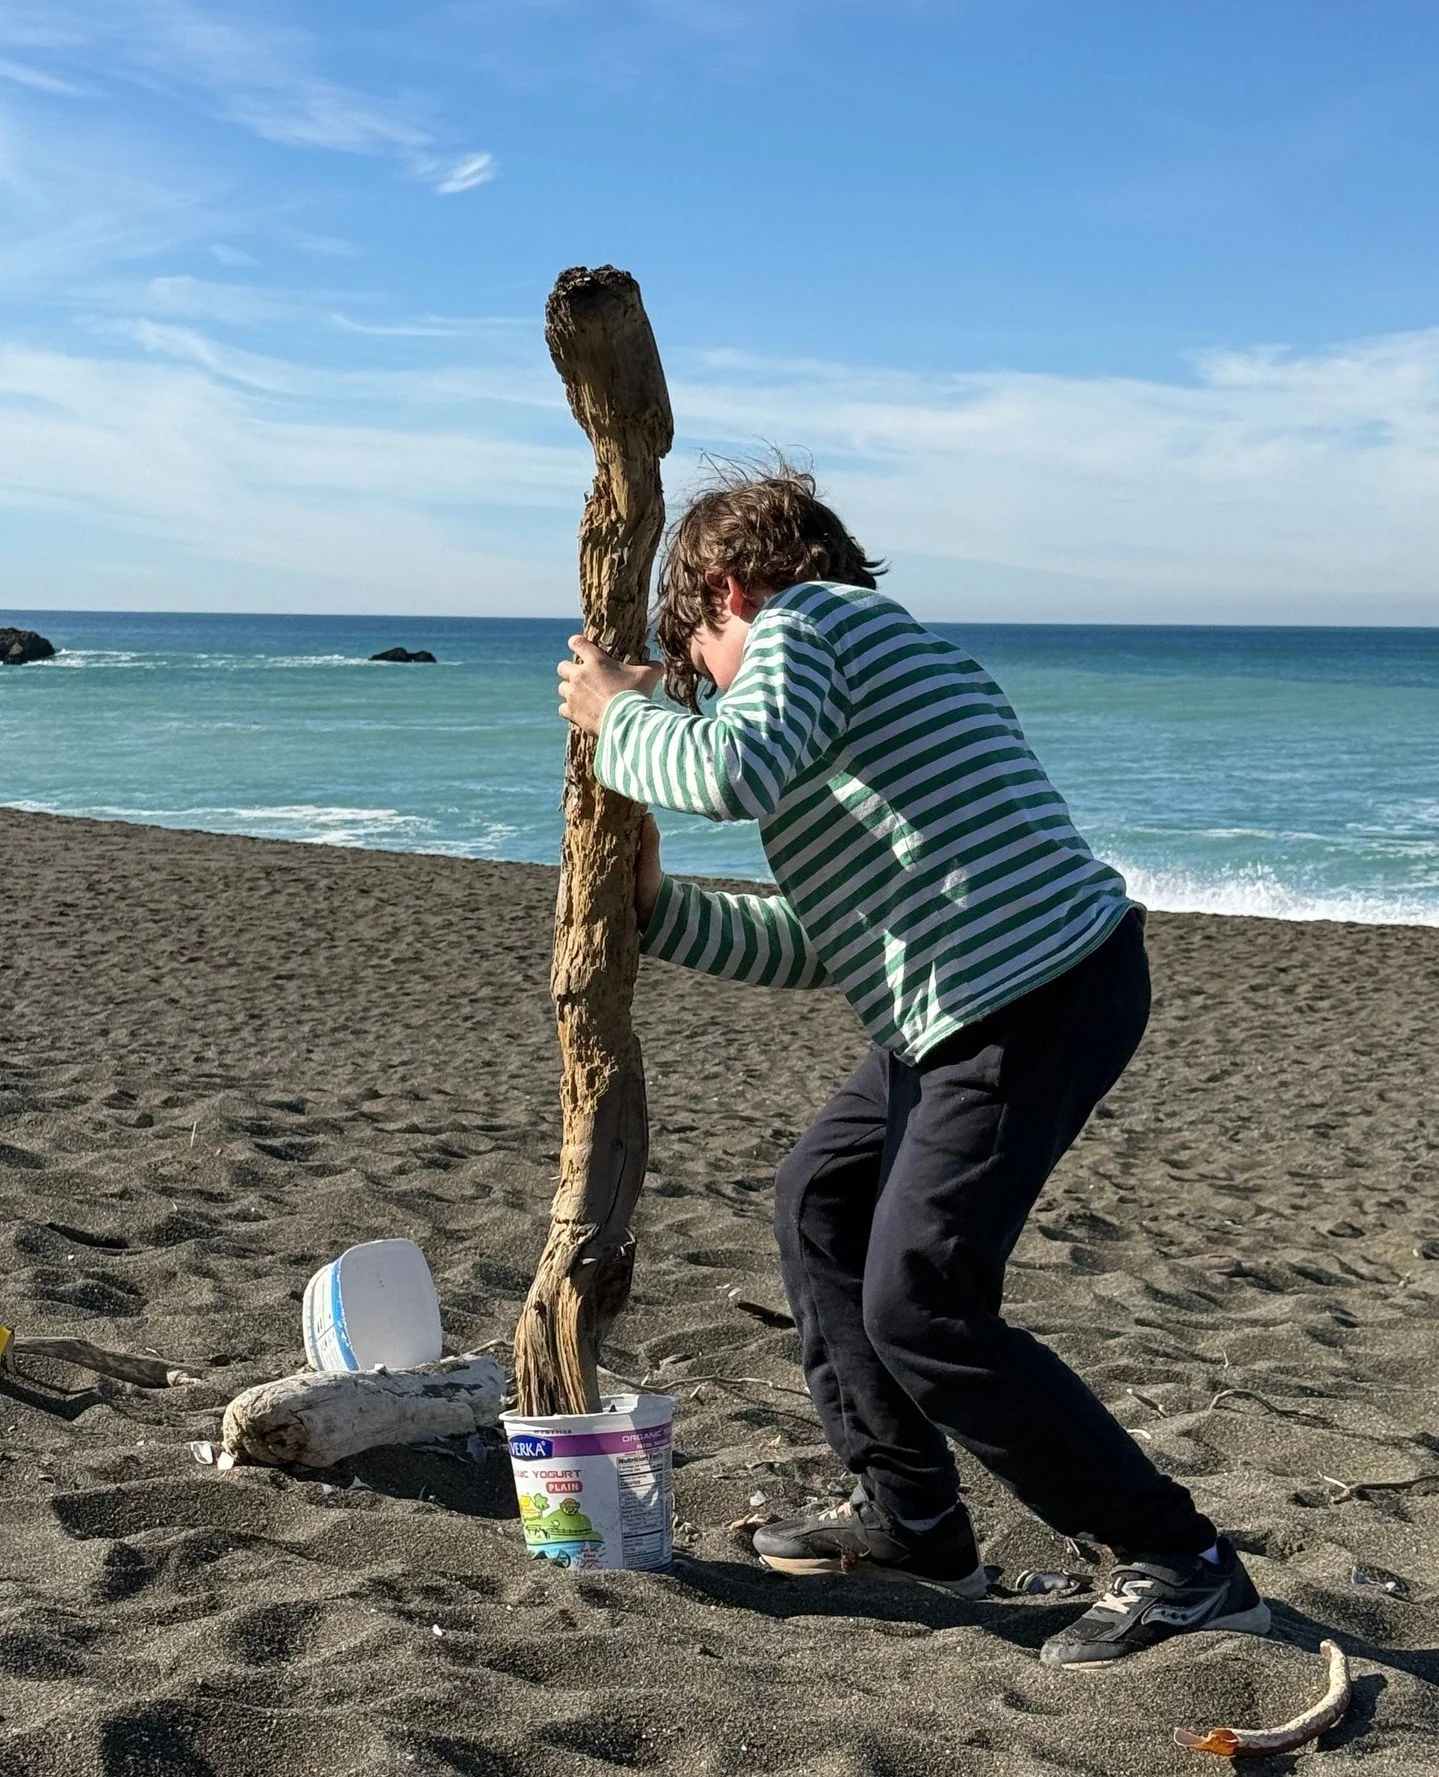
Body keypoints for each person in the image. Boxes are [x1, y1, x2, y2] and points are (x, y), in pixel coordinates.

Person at [555, 464, 1268, 1668]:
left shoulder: (815, 622)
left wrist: (620, 709)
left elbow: (729, 769)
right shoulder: (872, 678)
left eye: (698, 662)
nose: (704, 690)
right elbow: (823, 937)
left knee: (922, 1300)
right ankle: (918, 1522)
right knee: (818, 1202)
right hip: (962, 1008)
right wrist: (661, 908)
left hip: (1024, 996)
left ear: (726, 593)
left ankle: (1182, 1562)